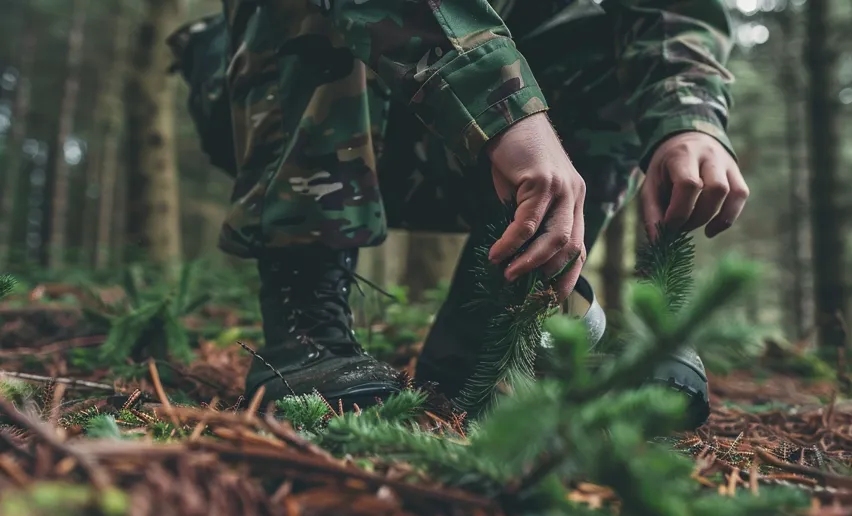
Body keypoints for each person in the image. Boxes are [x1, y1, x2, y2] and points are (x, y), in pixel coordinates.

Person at [167, 0, 748, 427]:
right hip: (302, 91)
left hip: (466, 137)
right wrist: (507, 111)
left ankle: (483, 351)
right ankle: (304, 334)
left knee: (609, 45)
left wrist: (687, 119)